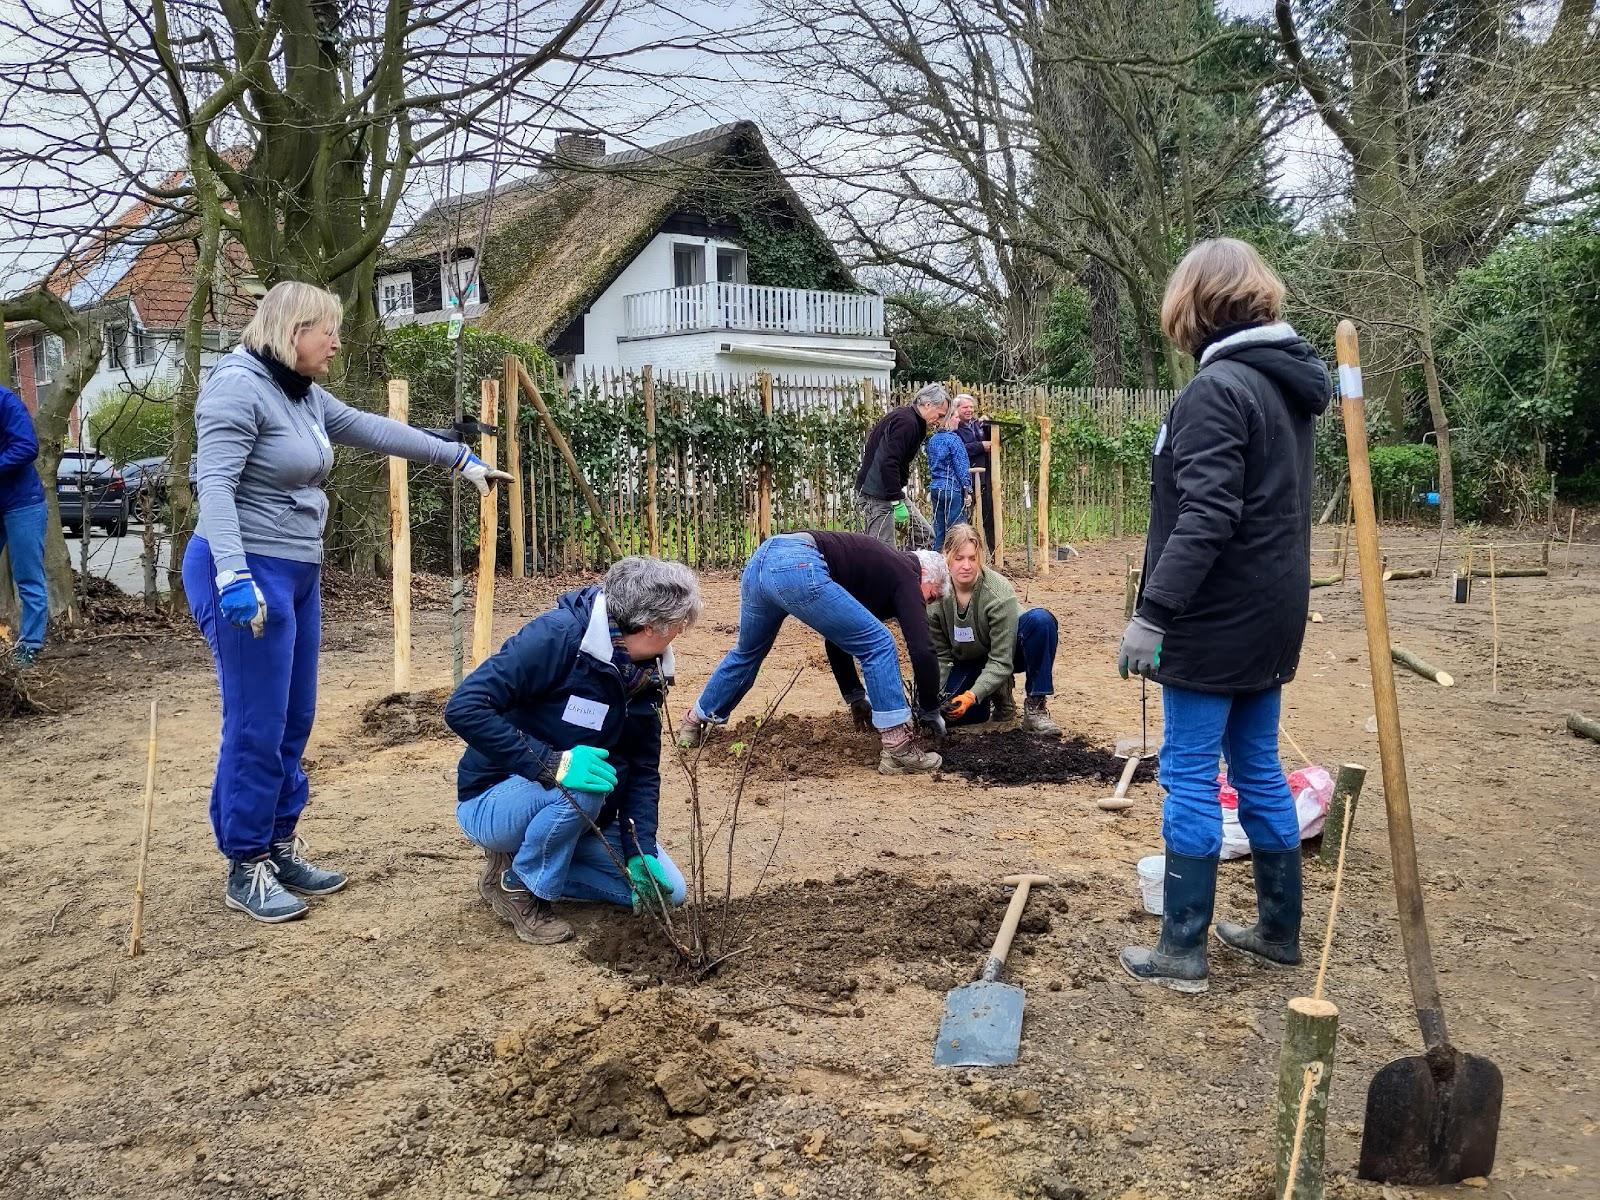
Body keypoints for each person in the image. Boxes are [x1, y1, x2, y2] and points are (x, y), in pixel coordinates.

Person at [186, 281, 511, 924]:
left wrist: (458, 458)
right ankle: (245, 861)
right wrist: (231, 576)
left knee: (295, 717)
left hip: (297, 571)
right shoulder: (236, 388)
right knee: (257, 723)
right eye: (325, 332)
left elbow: (370, 428)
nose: (336, 343)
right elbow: (215, 488)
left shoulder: (299, 394)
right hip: (246, 570)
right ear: (291, 332)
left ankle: (278, 842)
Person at [1117, 238, 1331, 994]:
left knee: (1188, 775)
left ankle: (1181, 950)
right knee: (1260, 770)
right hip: (1272, 615)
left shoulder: (1218, 391)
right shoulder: (1283, 389)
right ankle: (1278, 932)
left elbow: (1206, 516)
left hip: (1213, 620)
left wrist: (1153, 613)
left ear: (1194, 305)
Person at [445, 557, 700, 946]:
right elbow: (465, 707)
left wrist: (639, 849)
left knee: (671, 894)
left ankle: (519, 864)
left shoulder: (646, 673)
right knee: (585, 783)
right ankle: (519, 888)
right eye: (679, 628)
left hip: (576, 810)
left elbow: (642, 767)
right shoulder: (557, 637)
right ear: (649, 627)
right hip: (494, 797)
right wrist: (551, 763)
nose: (680, 635)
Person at [680, 530, 949, 775]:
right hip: (796, 563)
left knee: (746, 653)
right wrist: (929, 709)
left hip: (761, 562)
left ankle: (694, 721)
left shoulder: (879, 570)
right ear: (926, 576)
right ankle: (898, 747)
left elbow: (838, 636)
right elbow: (923, 649)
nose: (927, 603)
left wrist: (856, 697)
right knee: (879, 643)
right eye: (933, 596)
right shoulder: (907, 573)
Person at [928, 523, 1062, 735]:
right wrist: (934, 698)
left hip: (1008, 651)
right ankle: (998, 694)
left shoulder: (997, 591)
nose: (966, 565)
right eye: (959, 558)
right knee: (952, 714)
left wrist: (971, 695)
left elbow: (1001, 659)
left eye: (972, 558)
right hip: (968, 659)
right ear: (946, 556)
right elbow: (942, 658)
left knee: (1041, 621)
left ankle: (1035, 708)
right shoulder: (935, 596)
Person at [855, 383, 949, 548]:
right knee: (881, 552)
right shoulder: (906, 422)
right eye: (940, 415)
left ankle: (907, 569)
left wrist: (896, 495)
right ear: (928, 405)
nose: (939, 421)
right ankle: (886, 571)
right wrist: (896, 500)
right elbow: (889, 461)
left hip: (890, 492)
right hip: (876, 493)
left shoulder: (914, 422)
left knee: (925, 535)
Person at [0, 382, 47, 667]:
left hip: (22, 502)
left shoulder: (5, 401)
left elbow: (27, 447)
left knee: (28, 576)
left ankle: (30, 645)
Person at [954, 393, 995, 555]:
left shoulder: (977, 424)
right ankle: (967, 553)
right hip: (967, 479)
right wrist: (980, 446)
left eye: (971, 407)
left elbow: (993, 440)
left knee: (989, 517)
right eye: (965, 407)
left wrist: (988, 425)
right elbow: (959, 449)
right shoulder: (955, 427)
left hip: (985, 477)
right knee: (967, 519)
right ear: (957, 409)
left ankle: (993, 553)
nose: (969, 410)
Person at [925, 409, 971, 552]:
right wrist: (967, 489)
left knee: (939, 529)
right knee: (956, 530)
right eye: (956, 417)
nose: (959, 420)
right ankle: (954, 561)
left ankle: (937, 560)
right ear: (948, 419)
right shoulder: (954, 440)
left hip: (936, 488)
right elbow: (962, 467)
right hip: (952, 489)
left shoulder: (932, 440)